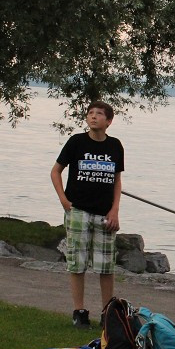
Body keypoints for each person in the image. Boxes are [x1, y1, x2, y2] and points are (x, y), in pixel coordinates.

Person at [50, 100, 124, 329]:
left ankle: (107, 312)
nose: (93, 117)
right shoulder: (76, 142)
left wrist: (114, 210)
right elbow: (56, 171)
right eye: (90, 113)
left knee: (105, 266)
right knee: (77, 263)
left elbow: (117, 180)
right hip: (78, 211)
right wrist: (64, 200)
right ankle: (79, 311)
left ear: (108, 121)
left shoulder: (115, 146)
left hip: (104, 214)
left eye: (99, 114)